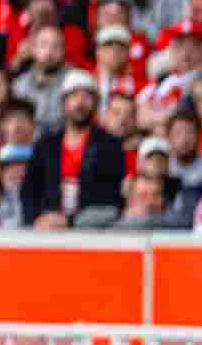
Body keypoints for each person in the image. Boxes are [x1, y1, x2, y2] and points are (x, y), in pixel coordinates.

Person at [20, 69, 126, 227]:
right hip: (46, 228)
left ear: (96, 104)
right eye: (74, 96)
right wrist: (37, 218)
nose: (80, 102)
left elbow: (112, 198)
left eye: (86, 96)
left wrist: (70, 221)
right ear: (63, 102)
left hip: (93, 230)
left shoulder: (110, 145)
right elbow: (29, 190)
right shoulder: (46, 144)